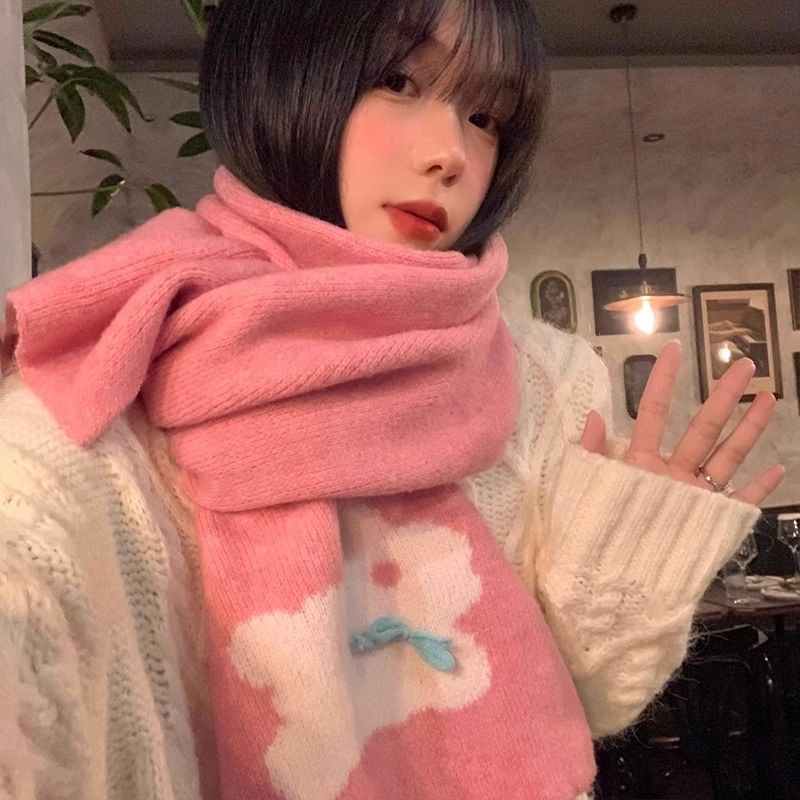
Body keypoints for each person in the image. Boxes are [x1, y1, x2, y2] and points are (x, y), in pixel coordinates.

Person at [0, 1, 783, 799]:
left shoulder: (546, 377)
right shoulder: (127, 361)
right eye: (399, 80)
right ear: (279, 76)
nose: (451, 156)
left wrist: (637, 555)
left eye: (485, 117)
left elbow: (587, 700)